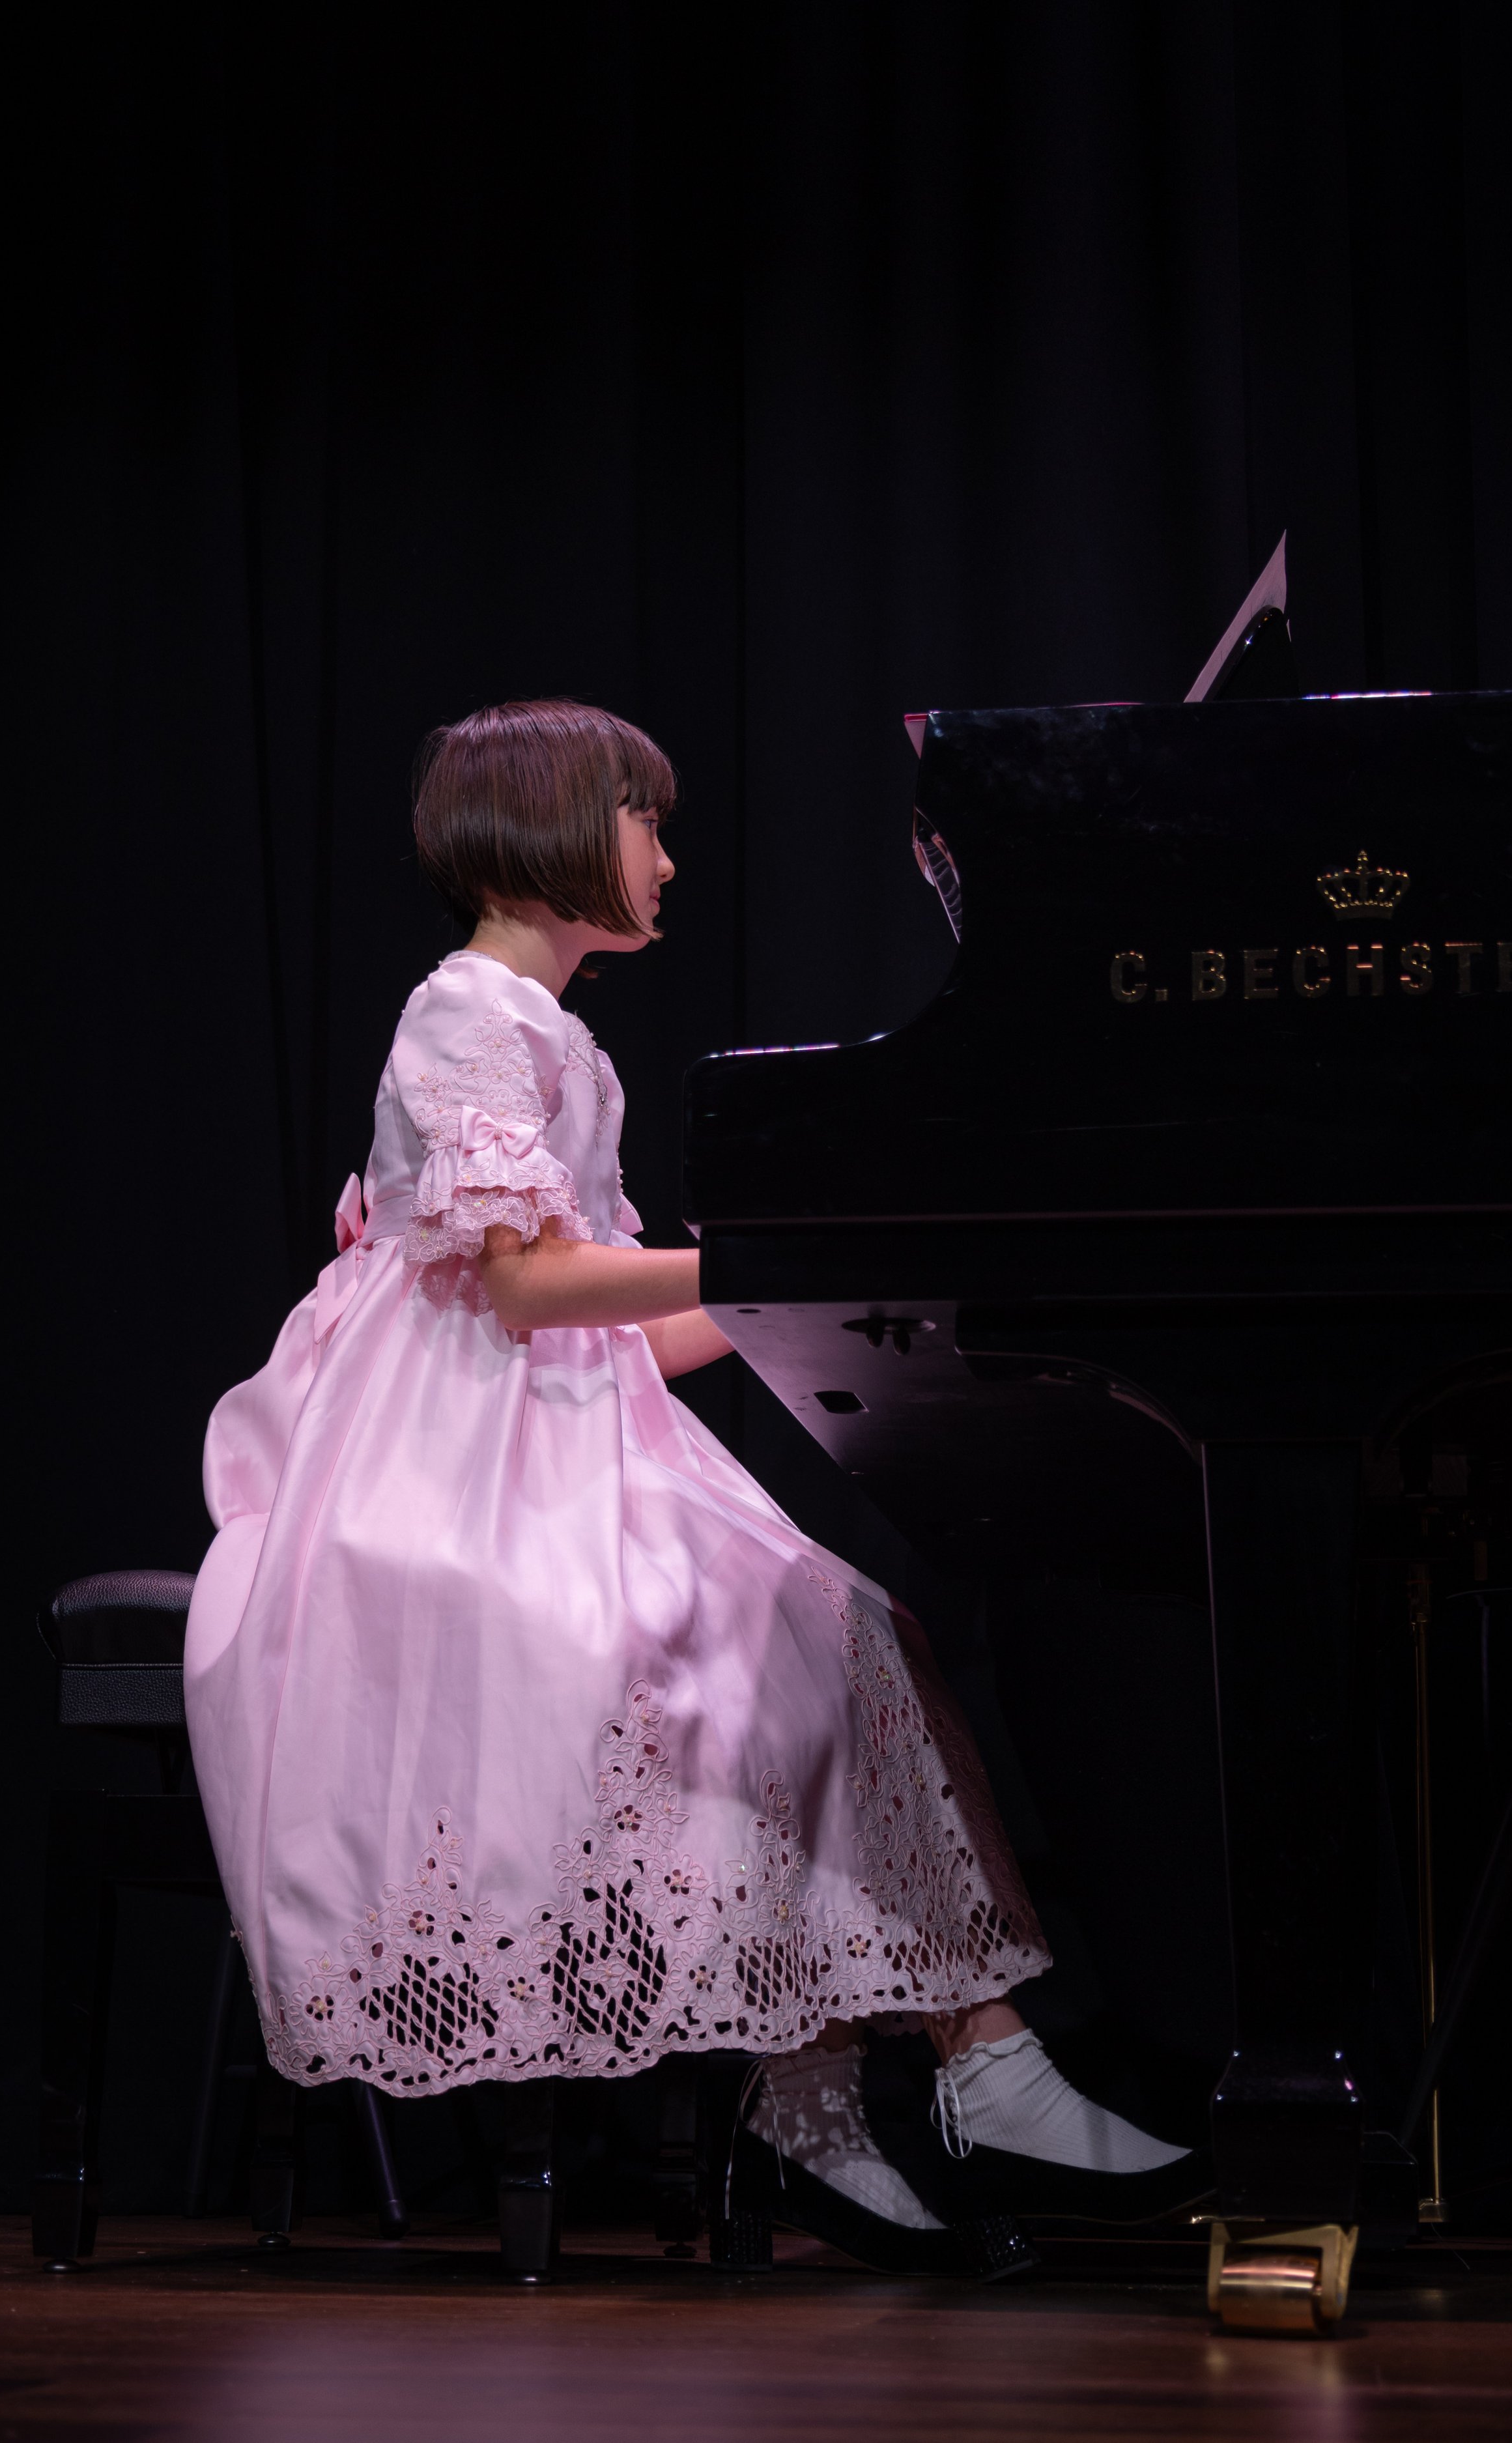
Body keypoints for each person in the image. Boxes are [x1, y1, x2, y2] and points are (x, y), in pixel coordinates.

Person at [185, 699, 1205, 2271]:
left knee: (832, 1632)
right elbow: (528, 1290)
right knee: (768, 1650)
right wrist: (759, 1256)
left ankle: (885, 2088)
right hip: (442, 1470)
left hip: (548, 1434)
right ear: (549, 829)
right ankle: (895, 2090)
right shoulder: (467, 1013)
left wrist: (814, 1275)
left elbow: (617, 1338)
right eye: (643, 820)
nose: (665, 856)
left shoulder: (557, 1040)